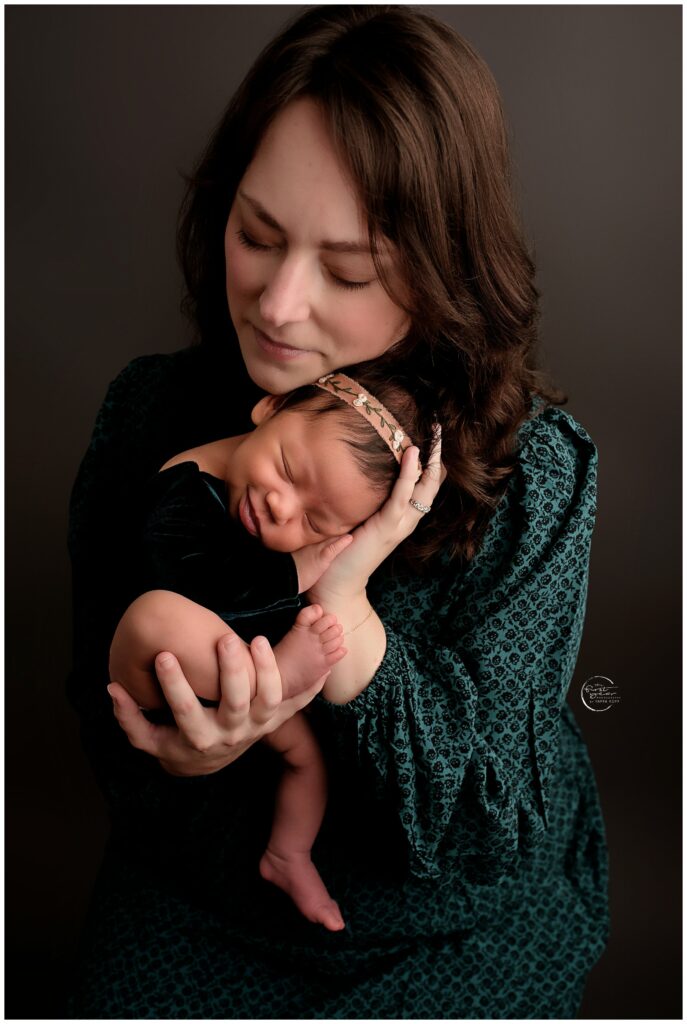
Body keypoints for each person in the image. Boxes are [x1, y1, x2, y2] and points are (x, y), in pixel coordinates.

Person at [67, 6, 609, 1018]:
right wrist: (173, 748)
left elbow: (485, 820)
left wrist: (353, 627)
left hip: (449, 921)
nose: (276, 305)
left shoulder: (532, 470)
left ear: (443, 270)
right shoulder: (152, 412)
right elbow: (95, 712)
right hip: (205, 892)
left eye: (349, 271)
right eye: (257, 235)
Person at [109, 368, 434, 933]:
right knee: (153, 617)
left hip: (251, 692)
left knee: (305, 760)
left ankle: (288, 854)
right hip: (157, 673)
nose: (283, 509)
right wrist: (295, 569)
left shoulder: (281, 512)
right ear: (271, 407)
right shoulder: (188, 477)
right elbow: (182, 567)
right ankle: (280, 676)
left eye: (314, 521)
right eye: (287, 468)